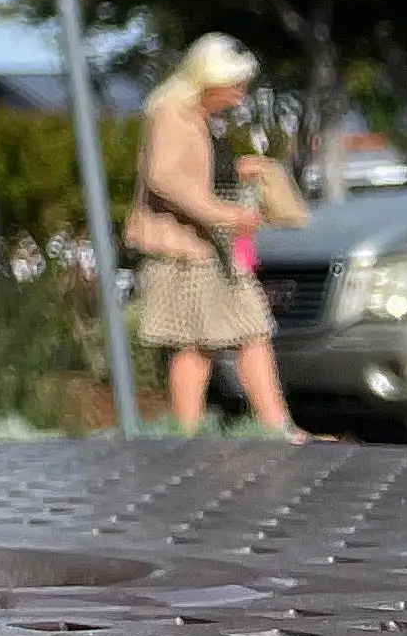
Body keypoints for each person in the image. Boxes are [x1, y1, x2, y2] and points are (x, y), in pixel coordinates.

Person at [121, 33, 311, 436]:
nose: (240, 95)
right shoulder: (170, 112)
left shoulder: (198, 117)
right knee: (196, 345)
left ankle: (278, 430)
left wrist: (245, 171)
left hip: (211, 246)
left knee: (250, 329)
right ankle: (189, 436)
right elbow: (164, 177)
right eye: (235, 86)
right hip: (184, 249)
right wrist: (224, 213)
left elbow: (195, 173)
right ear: (209, 80)